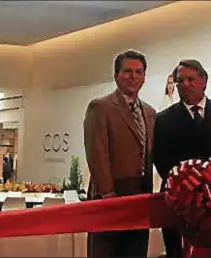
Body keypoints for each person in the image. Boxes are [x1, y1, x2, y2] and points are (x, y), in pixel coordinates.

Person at [153, 59, 211, 258]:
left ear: (204, 81)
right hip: (179, 205)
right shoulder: (162, 120)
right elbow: (160, 159)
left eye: (191, 79)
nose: (186, 84)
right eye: (180, 81)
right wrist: (188, 188)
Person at [83, 50, 155, 258]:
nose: (133, 77)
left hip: (140, 198)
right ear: (116, 76)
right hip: (110, 196)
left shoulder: (149, 113)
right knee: (106, 252)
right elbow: (97, 152)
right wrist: (108, 194)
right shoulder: (101, 107)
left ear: (144, 77)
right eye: (127, 72)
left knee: (135, 252)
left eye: (139, 72)